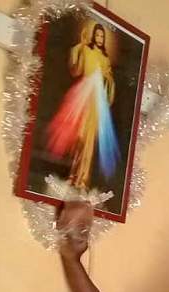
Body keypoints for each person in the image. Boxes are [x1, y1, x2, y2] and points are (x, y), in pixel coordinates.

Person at [46, 22, 120, 189]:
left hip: (97, 99)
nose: (100, 38)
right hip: (83, 94)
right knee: (78, 136)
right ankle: (72, 174)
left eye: (102, 36)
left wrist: (108, 80)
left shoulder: (105, 58)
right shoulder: (85, 50)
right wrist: (79, 45)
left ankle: (82, 179)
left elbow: (109, 80)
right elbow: (76, 70)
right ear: (93, 35)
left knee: (89, 141)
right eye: (98, 35)